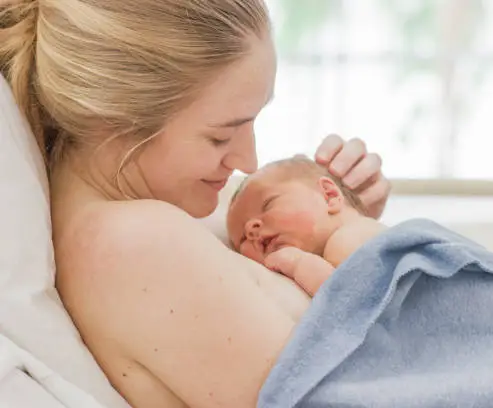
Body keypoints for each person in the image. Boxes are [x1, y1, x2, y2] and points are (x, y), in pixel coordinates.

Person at [0, 1, 392, 407]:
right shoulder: (134, 245)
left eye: (253, 121)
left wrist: (344, 229)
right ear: (116, 121)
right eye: (220, 137)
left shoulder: (164, 209)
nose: (248, 161)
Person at [227, 156, 387, 297]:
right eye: (242, 240)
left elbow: (351, 302)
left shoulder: (350, 236)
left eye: (268, 205)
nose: (250, 228)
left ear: (329, 195)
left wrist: (298, 265)